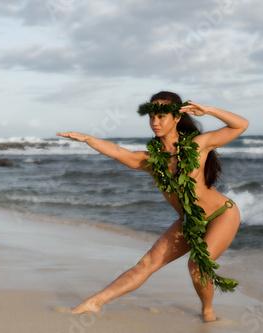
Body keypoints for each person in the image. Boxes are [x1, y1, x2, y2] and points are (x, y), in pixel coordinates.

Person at [56, 91, 249, 322]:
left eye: (161, 117)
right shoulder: (149, 161)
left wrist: (208, 110)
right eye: (151, 117)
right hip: (188, 221)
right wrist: (88, 139)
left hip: (221, 215)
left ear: (177, 118)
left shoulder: (199, 144)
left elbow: (240, 125)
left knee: (197, 265)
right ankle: (94, 303)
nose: (155, 122)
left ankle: (208, 311)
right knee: (145, 264)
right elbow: (119, 152)